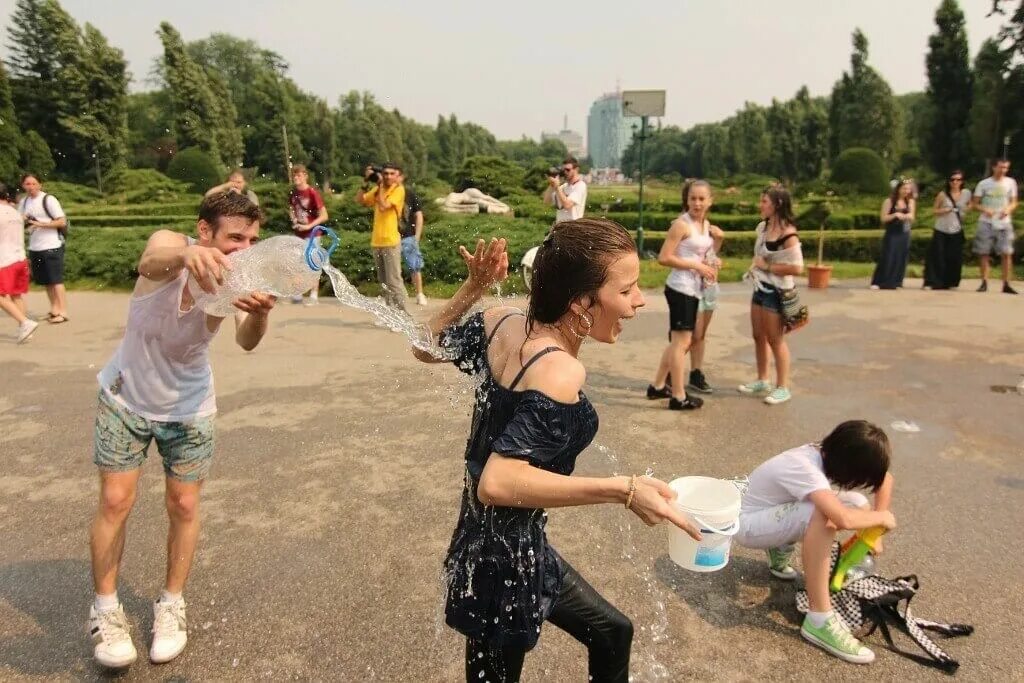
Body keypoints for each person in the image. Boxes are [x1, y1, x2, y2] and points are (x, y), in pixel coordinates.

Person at [413, 219, 701, 682]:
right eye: (627, 290)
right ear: (581, 302)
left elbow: (424, 347)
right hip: (503, 563)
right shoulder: (559, 370)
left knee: (612, 632)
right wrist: (625, 490)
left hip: (505, 543)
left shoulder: (501, 319)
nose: (640, 301)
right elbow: (497, 483)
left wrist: (475, 286)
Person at [87, 192, 275, 669]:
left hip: (189, 405)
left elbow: (247, 342)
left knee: (185, 503)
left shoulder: (240, 275)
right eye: (236, 237)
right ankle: (106, 611)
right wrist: (185, 254)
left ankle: (171, 604)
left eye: (252, 239)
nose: (245, 248)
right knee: (114, 500)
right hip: (125, 395)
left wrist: (259, 314)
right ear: (205, 230)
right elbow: (149, 261)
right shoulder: (171, 244)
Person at [733, 420, 896, 664]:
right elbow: (841, 519)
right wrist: (881, 517)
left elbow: (886, 480)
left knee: (857, 502)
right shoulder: (805, 467)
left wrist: (875, 530)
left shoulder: (830, 452)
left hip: (771, 512)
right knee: (820, 514)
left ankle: (780, 544)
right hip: (747, 524)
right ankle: (819, 619)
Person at [646, 180, 718, 410]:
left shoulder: (705, 225)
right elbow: (664, 257)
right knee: (681, 342)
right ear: (686, 200)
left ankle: (657, 386)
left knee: (680, 341)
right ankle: (678, 396)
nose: (697, 203)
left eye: (701, 198)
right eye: (692, 198)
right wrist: (696, 267)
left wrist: (709, 263)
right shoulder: (681, 224)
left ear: (710, 201)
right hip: (680, 288)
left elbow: (700, 254)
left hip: (694, 288)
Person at [739, 185, 804, 406]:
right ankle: (762, 379)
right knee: (758, 335)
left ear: (777, 204)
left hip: (776, 293)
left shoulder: (788, 234)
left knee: (775, 340)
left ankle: (783, 387)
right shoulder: (763, 228)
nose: (761, 205)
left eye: (764, 201)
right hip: (760, 288)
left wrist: (767, 267)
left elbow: (797, 268)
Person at [356, 162, 407, 312]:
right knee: (384, 282)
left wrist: (378, 184)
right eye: (385, 173)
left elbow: (384, 206)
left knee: (394, 281)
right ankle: (391, 314)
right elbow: (360, 200)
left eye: (392, 173)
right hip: (377, 241)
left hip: (391, 241)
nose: (388, 176)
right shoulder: (379, 188)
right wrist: (365, 181)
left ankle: (402, 315)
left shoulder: (398, 190)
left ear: (397, 176)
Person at [18, 173, 68, 323]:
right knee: (46, 281)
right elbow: (19, 219)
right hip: (35, 245)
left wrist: (41, 224)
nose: (31, 187)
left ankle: (63, 311)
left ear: (40, 184)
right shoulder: (24, 202)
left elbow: (61, 222)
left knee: (56, 280)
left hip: (51, 244)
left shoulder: (48, 200)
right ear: (23, 185)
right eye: (28, 184)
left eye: (34, 184)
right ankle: (54, 309)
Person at [971, 158, 1018, 294]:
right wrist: (985, 209)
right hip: (987, 221)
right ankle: (984, 282)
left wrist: (1008, 209)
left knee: (1006, 252)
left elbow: (1014, 202)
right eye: (1000, 167)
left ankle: (1006, 283)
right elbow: (975, 203)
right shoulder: (984, 184)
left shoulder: (1010, 182)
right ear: (994, 167)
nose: (1003, 170)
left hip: (1004, 222)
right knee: (984, 252)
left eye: (1005, 168)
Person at [0, 183, 38, 343]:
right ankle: (25, 331)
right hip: (20, 258)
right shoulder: (15, 212)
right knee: (16, 295)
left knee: (1, 295)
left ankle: (24, 322)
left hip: (4, 260)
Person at [288, 164, 328, 305]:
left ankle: (314, 295)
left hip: (312, 234)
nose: (296, 178)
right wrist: (293, 219)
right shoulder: (294, 193)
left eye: (299, 175)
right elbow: (291, 209)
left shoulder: (312, 193)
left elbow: (324, 215)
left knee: (312, 263)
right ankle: (298, 293)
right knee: (297, 263)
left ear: (305, 176)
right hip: (298, 233)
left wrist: (309, 225)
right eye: (294, 175)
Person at [923, 171, 969, 290]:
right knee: (937, 256)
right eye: (953, 180)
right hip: (942, 229)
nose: (955, 182)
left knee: (954, 257)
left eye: (958, 180)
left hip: (956, 229)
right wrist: (945, 210)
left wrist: (964, 212)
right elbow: (934, 211)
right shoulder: (942, 194)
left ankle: (952, 282)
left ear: (962, 181)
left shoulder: (966, 194)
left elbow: (971, 205)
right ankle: (933, 281)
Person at [871, 179, 915, 290]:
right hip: (892, 232)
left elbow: (912, 216)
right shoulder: (889, 201)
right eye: (904, 188)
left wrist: (906, 216)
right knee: (888, 255)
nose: (906, 191)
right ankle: (880, 281)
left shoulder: (910, 202)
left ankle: (896, 281)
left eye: (908, 189)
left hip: (904, 233)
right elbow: (883, 218)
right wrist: (895, 215)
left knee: (901, 257)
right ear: (898, 189)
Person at [398, 171, 428, 306]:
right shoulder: (385, 193)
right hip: (390, 238)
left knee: (415, 266)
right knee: (392, 270)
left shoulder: (409, 194)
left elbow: (419, 215)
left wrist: (417, 235)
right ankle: (394, 298)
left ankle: (419, 293)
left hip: (408, 236)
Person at [543, 156, 588, 224]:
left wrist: (557, 187)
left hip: (573, 227)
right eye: (563, 170)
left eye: (568, 170)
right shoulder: (563, 187)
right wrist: (552, 185)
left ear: (576, 169)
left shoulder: (580, 186)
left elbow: (567, 205)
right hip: (560, 227)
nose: (565, 172)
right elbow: (546, 201)